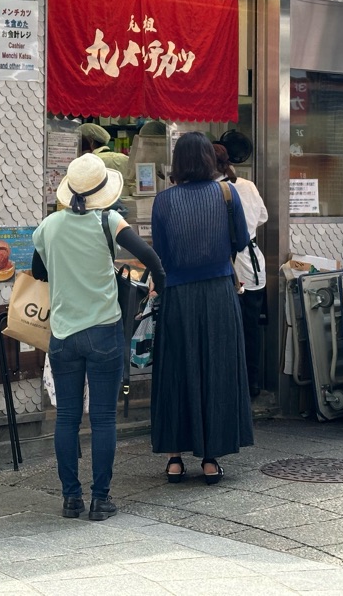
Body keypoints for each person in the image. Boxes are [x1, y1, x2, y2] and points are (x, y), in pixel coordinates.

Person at [32, 153, 165, 521]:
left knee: (66, 418)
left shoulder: (48, 226)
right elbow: (150, 257)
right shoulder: (110, 220)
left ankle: (70, 498)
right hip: (104, 331)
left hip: (62, 335)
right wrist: (161, 284)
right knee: (103, 419)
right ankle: (101, 499)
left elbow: (38, 271)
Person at [150, 131, 253, 484]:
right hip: (219, 292)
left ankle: (175, 459)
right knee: (217, 369)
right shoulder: (227, 193)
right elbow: (240, 240)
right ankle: (210, 459)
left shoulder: (163, 202)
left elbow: (160, 253)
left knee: (176, 370)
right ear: (210, 160)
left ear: (177, 163)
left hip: (178, 295)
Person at [214, 140, 268, 400]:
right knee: (250, 328)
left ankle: (229, 384)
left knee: (224, 329)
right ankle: (252, 384)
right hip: (251, 267)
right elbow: (263, 217)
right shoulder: (247, 185)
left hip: (227, 268)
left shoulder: (212, 190)